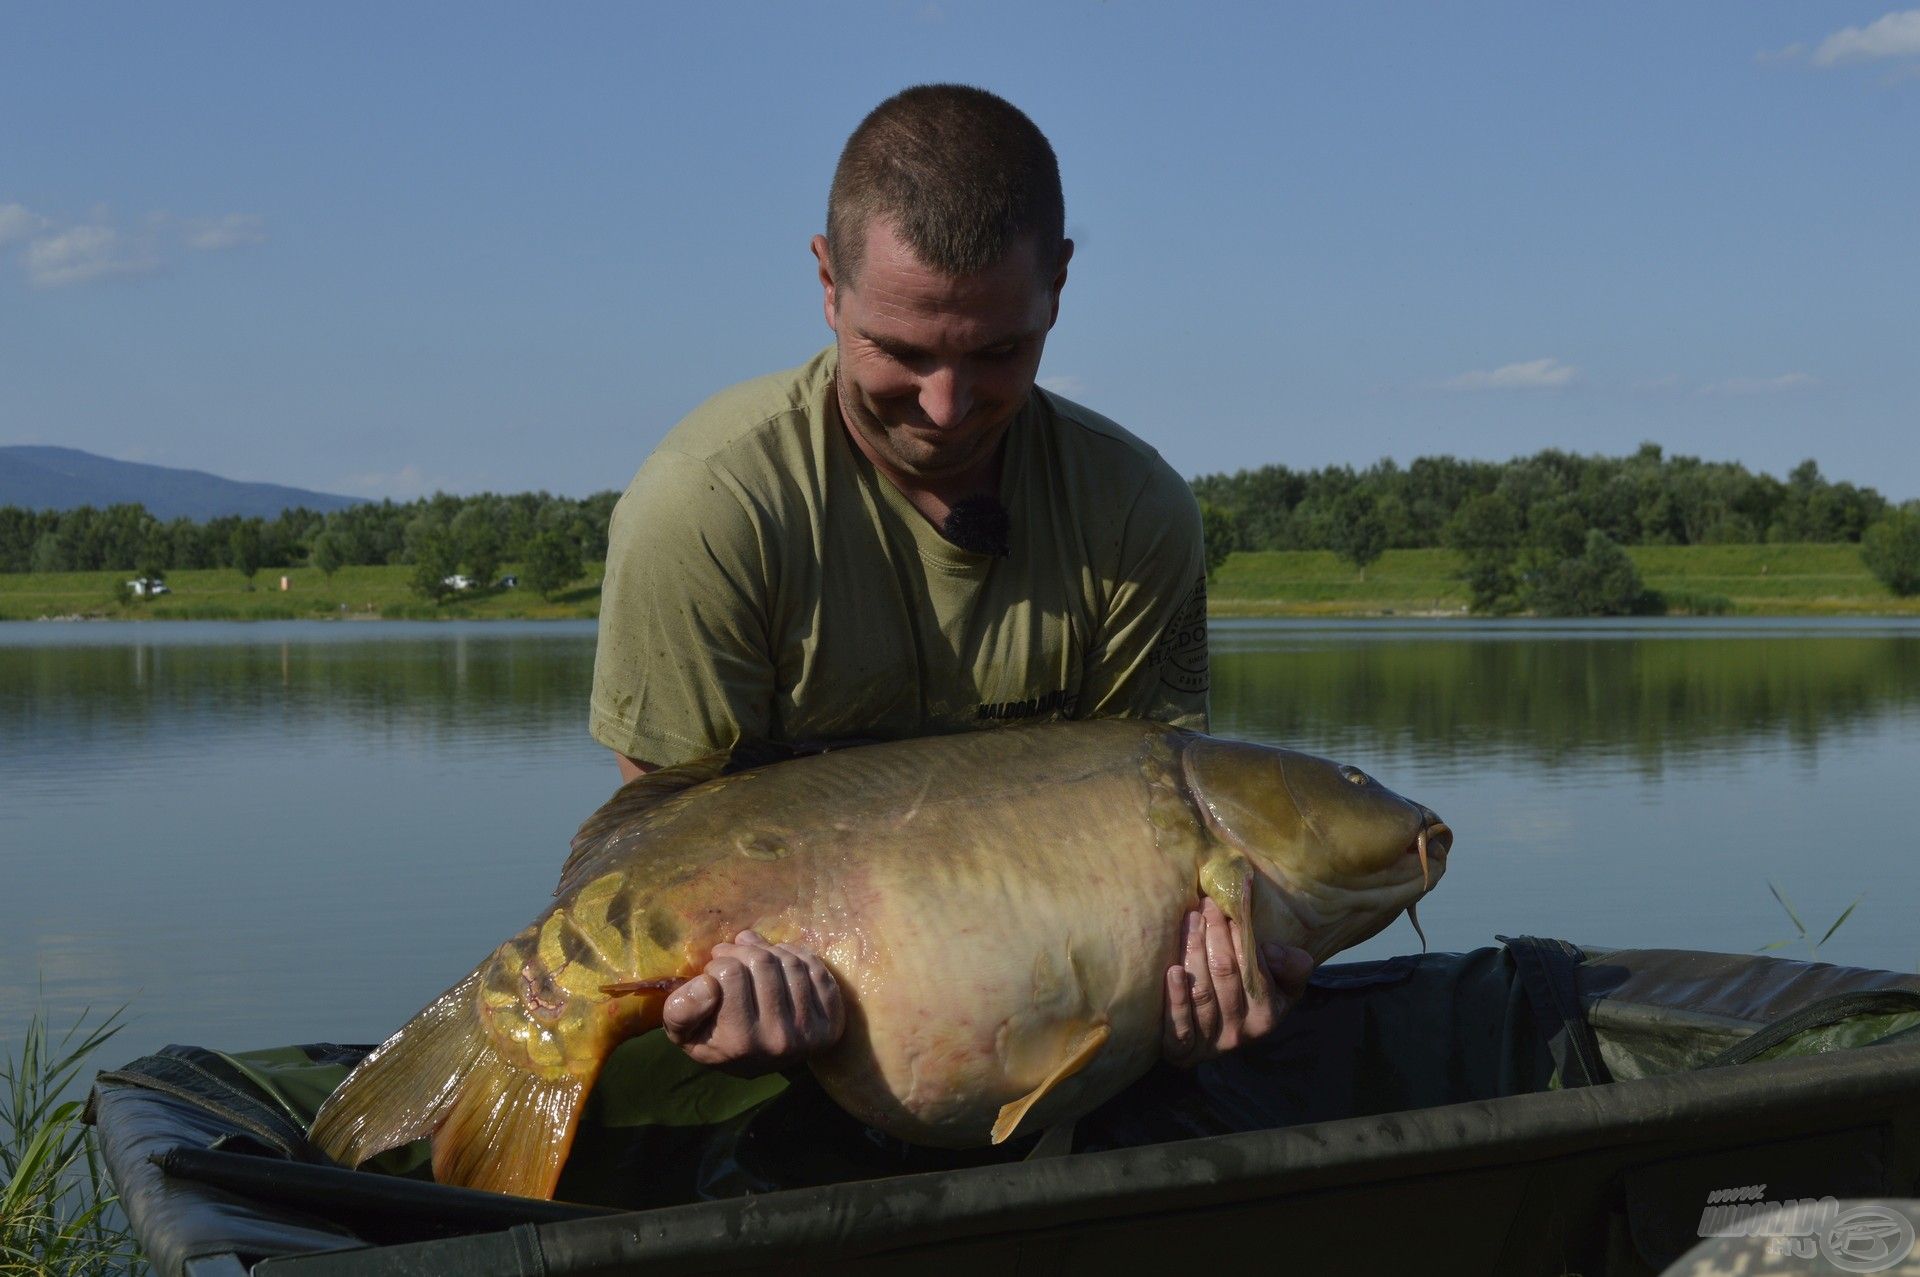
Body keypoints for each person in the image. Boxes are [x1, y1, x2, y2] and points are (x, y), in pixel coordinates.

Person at [589, 84, 1310, 1089]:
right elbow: (656, 858)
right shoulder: (709, 507)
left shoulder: (1137, 511)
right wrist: (710, 995)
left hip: (1038, 1021)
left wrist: (1188, 985)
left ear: (1058, 284)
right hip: (788, 1018)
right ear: (827, 282)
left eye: (996, 351)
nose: (946, 404)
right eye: (903, 350)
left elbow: (1149, 857)